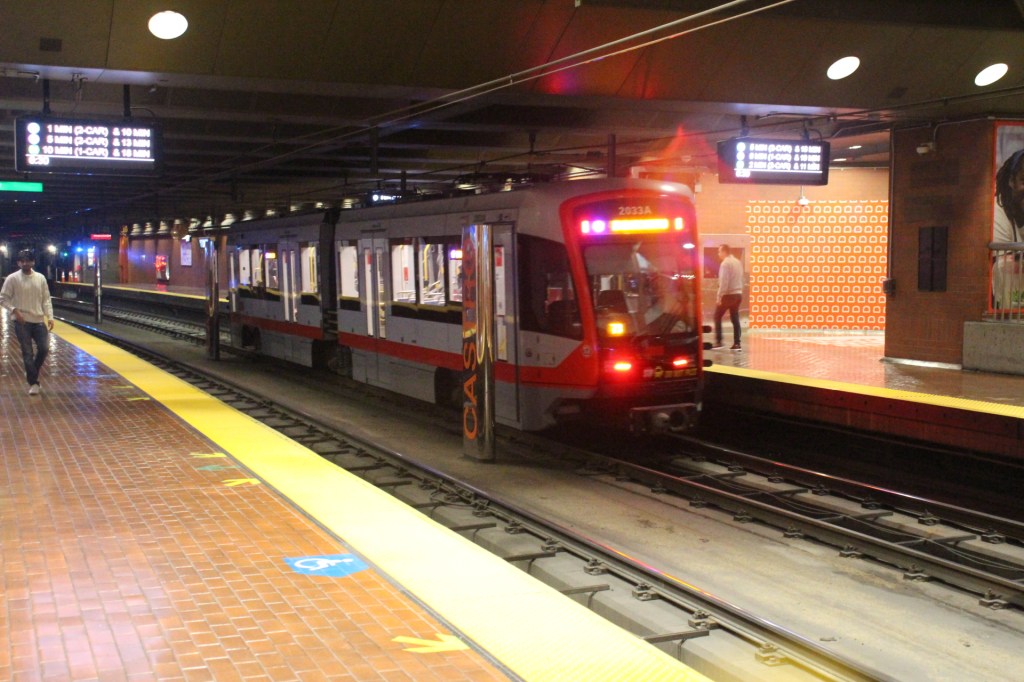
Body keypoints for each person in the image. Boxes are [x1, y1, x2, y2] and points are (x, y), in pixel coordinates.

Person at [1, 249, 55, 395]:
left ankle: (32, 372)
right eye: (22, 261)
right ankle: (33, 383)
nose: (25, 263)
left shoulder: (40, 278)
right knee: (27, 352)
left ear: (33, 262)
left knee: (44, 348)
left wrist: (50, 317)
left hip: (38, 320)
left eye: (28, 261)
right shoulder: (12, 279)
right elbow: (3, 299)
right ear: (18, 263)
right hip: (22, 322)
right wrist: (14, 310)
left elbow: (46, 299)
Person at [993, 149, 1024, 309]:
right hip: (1005, 311)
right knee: (1005, 263)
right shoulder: (995, 213)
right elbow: (1003, 267)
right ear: (1011, 180)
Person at [713, 244, 743, 351]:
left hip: (728, 295)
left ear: (724, 252)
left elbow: (724, 282)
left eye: (719, 251)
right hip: (738, 294)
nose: (718, 254)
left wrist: (719, 296)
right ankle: (737, 343)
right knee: (735, 318)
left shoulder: (725, 263)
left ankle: (719, 341)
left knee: (717, 316)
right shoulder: (738, 262)